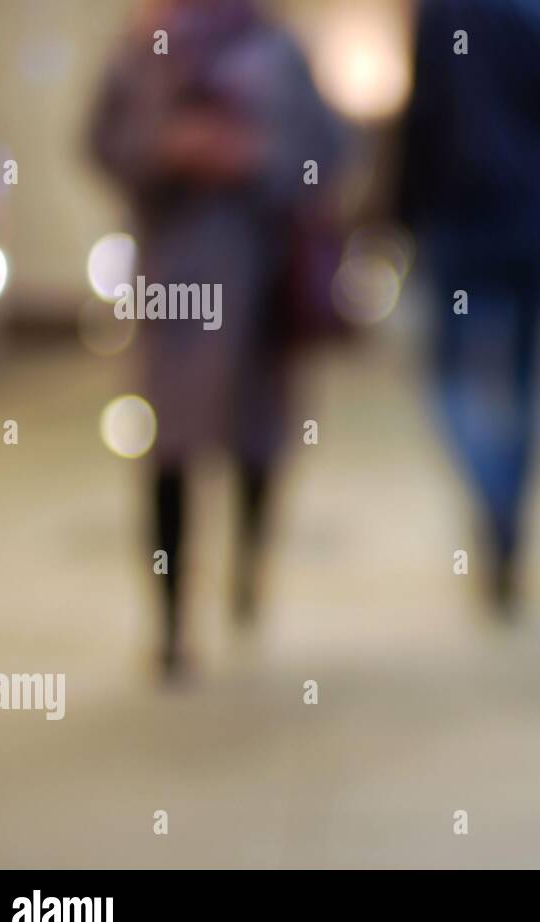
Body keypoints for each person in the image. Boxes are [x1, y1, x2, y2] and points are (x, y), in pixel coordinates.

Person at [90, 0, 346, 678]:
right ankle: (171, 621)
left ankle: (247, 569)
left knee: (257, 442)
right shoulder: (143, 48)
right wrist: (170, 150)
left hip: (263, 284)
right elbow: (102, 143)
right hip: (175, 286)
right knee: (167, 453)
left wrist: (255, 158)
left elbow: (326, 155)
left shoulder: (277, 50)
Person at [396, 0, 540, 614]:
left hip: (461, 215)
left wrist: (398, 213)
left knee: (447, 379)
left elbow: (421, 116)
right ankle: (508, 512)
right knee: (528, 384)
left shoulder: (441, 13)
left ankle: (494, 496)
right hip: (534, 213)